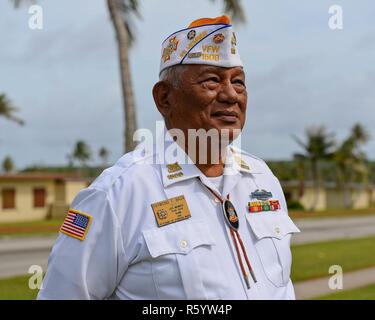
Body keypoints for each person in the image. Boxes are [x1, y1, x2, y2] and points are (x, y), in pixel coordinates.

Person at [38, 15, 300, 300]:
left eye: (238, 82)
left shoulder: (262, 179)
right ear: (165, 98)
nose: (230, 95)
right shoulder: (121, 193)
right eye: (212, 80)